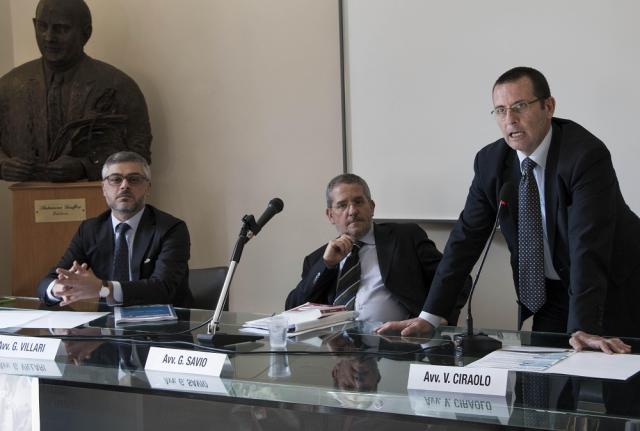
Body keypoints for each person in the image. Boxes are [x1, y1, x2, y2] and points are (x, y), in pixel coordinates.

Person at [377, 67, 640, 354]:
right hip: (552, 295)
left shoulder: (584, 155)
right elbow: (465, 240)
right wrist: (430, 316)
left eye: (520, 106)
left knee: (614, 376)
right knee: (544, 378)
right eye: (500, 111)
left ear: (548, 106)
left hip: (615, 287)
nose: (510, 119)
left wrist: (583, 327)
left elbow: (587, 246)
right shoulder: (491, 162)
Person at [285, 173, 470, 324]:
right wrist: (326, 265)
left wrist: (437, 320)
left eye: (358, 202)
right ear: (330, 215)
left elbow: (455, 279)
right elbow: (292, 310)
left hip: (400, 347)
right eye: (342, 205)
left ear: (372, 207)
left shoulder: (405, 238)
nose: (352, 211)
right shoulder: (318, 259)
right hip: (337, 351)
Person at [0, 0, 151, 182]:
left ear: (86, 33)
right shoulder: (8, 87)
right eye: (42, 26)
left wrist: (85, 167)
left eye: (61, 29)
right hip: (27, 196)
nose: (49, 37)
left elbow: (139, 154)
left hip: (96, 196)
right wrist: (2, 165)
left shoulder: (118, 86)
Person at [37, 151, 192, 307]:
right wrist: (58, 288)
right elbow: (47, 283)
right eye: (116, 179)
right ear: (104, 189)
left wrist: (104, 289)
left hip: (163, 319)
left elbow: (163, 288)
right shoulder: (90, 230)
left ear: (147, 188)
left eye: (134, 179)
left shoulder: (171, 229)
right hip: (109, 320)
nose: (124, 185)